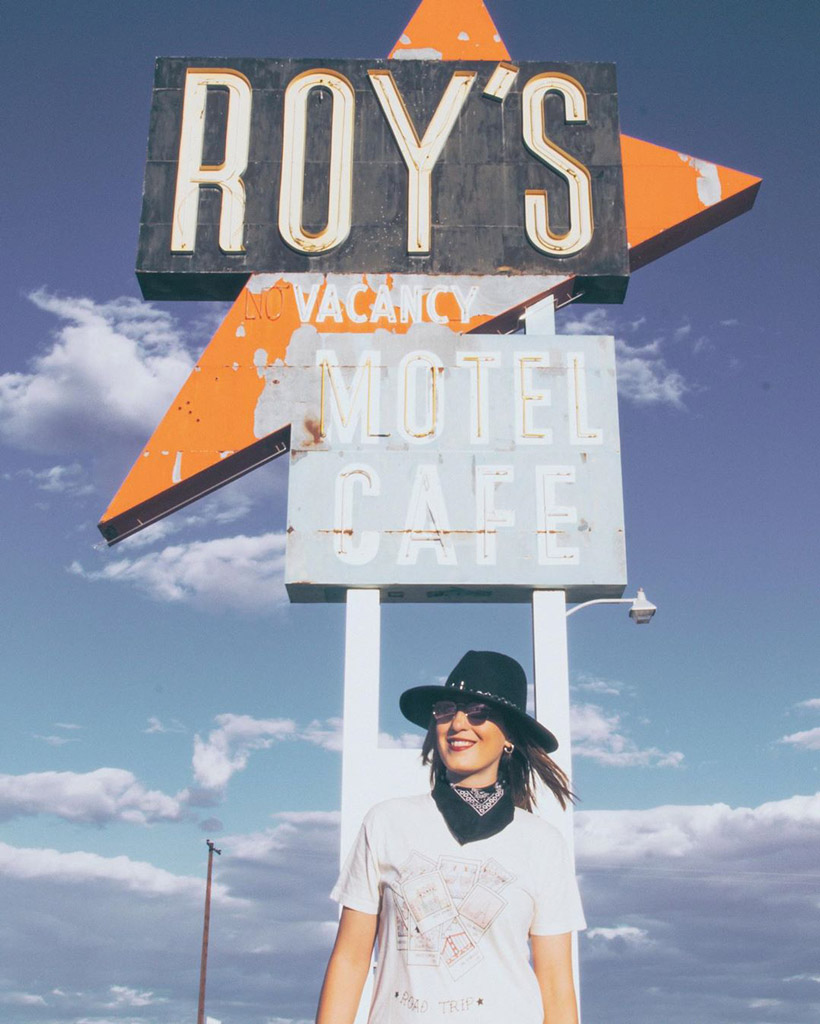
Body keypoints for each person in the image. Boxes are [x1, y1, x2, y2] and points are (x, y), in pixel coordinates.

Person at [316, 650, 585, 1024]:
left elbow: (555, 982)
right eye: (446, 709)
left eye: (478, 712)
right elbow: (350, 957)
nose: (459, 723)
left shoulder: (542, 843)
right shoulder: (386, 822)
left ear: (508, 737)